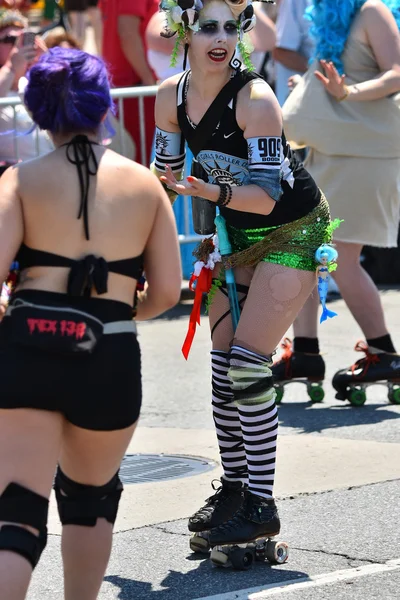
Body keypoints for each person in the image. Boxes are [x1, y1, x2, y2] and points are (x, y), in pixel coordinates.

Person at [154, 0, 336, 559]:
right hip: (236, 237)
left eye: (230, 28)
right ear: (185, 29)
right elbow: (165, 176)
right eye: (207, 26)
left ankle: (262, 502)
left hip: (293, 231)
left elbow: (269, 194)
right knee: (220, 369)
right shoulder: (170, 96)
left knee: (247, 365)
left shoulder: (256, 99)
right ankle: (234, 489)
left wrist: (209, 193)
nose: (220, 38)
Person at [0, 47, 181, 600]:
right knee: (90, 501)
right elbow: (168, 293)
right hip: (110, 354)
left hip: (29, 347)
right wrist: (121, 313)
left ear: (37, 113)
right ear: (104, 109)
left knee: (17, 511)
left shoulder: (18, 181)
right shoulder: (147, 187)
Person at [279, 0, 400, 401]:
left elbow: (396, 73)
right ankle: (306, 352)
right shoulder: (331, 12)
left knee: (340, 259)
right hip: (333, 152)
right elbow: (340, 82)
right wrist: (314, 89)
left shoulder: (371, 11)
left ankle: (384, 354)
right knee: (303, 252)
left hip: (366, 155)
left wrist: (347, 91)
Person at [100, 0, 158, 165]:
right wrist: (149, 81)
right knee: (149, 159)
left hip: (131, 87)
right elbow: (127, 32)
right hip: (137, 87)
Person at [0, 8, 53, 166]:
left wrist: (49, 61)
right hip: (12, 173)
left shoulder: (37, 79)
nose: (16, 45)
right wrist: (10, 67)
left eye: (23, 39)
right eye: (9, 39)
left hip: (52, 167)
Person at [273, 0, 313, 106]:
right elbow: (281, 52)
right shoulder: (295, 2)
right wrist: (321, 70)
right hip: (298, 106)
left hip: (337, 107)